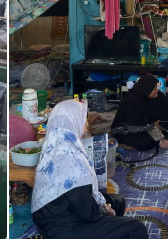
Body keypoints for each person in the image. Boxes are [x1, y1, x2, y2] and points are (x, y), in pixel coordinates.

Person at [31, 100, 149, 239]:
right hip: (64, 229)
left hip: (52, 213)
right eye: (84, 119)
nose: (86, 124)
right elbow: (86, 213)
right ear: (73, 121)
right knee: (136, 228)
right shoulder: (72, 158)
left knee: (117, 200)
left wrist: (104, 206)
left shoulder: (54, 143)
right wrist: (104, 212)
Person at [111, 74, 168, 151]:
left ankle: (159, 140)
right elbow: (132, 128)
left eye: (157, 87)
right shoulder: (131, 101)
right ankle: (158, 142)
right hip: (126, 130)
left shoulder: (156, 95)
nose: (157, 90)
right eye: (154, 88)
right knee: (143, 143)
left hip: (147, 125)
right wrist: (153, 125)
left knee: (166, 124)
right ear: (146, 89)